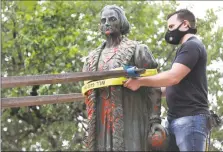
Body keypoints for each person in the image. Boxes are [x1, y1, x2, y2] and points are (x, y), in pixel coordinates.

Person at [124, 9, 211, 151]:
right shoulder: (183, 49)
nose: (169, 32)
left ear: (185, 24)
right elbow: (169, 87)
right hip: (175, 119)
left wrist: (140, 81)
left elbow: (173, 77)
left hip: (190, 119)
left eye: (171, 27)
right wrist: (144, 88)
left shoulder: (192, 46)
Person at [82, 5, 164, 151]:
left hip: (131, 115)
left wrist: (155, 119)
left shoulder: (138, 50)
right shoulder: (91, 58)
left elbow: (154, 85)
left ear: (122, 22)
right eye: (103, 20)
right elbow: (87, 93)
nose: (107, 23)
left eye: (112, 19)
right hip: (101, 121)